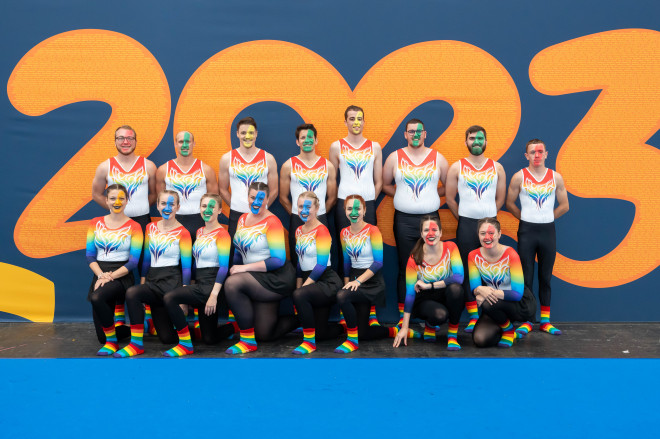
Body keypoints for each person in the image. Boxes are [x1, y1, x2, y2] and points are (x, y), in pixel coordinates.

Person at [382, 118, 449, 326]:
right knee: (405, 268)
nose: (415, 135)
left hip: (431, 219)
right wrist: (404, 195)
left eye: (419, 131)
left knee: (431, 266)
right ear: (405, 134)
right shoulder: (394, 158)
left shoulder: (438, 158)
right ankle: (405, 317)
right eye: (411, 132)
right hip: (403, 220)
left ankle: (430, 318)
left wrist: (430, 196)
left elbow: (448, 186)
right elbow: (385, 185)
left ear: (425, 134)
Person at [91, 125, 157, 331]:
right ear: (115, 141)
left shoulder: (149, 166)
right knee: (116, 269)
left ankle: (149, 317)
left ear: (135, 141)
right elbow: (96, 193)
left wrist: (139, 211)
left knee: (146, 269)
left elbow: (155, 193)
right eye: (120, 138)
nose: (125, 142)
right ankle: (118, 319)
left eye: (129, 138)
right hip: (116, 226)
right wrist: (117, 212)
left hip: (143, 223)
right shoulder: (105, 167)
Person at [113, 190, 192, 357]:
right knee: (133, 293)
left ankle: (186, 342)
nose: (167, 207)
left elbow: (186, 267)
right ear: (157, 206)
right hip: (153, 282)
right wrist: (143, 284)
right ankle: (136, 344)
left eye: (171, 204)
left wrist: (184, 298)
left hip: (172, 283)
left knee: (168, 339)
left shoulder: (183, 232)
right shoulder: (150, 228)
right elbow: (147, 260)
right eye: (163, 203)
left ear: (178, 207)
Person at [223, 182, 298, 354]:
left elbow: (278, 260)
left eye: (260, 198)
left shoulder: (272, 222)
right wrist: (237, 266)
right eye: (252, 197)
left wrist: (243, 269)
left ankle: (247, 340)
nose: (256, 202)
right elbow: (238, 250)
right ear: (247, 197)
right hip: (254, 278)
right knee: (265, 334)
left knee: (232, 284)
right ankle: (302, 320)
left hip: (276, 277)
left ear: (267, 200)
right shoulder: (242, 219)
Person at [445, 125, 506, 333]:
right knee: (467, 269)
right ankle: (472, 315)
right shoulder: (456, 167)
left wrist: (487, 220)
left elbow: (500, 199)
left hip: (489, 223)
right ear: (466, 142)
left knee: (490, 269)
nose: (476, 142)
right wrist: (464, 218)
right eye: (472, 138)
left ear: (486, 142)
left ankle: (491, 313)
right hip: (466, 224)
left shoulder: (497, 168)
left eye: (480, 138)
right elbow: (451, 199)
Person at [505, 139, 569, 337]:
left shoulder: (556, 177)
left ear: (546, 154)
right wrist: (526, 220)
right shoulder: (519, 177)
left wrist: (547, 218)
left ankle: (545, 321)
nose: (537, 155)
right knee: (526, 277)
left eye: (540, 151)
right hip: (527, 231)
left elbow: (565, 205)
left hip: (547, 231)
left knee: (545, 277)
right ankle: (527, 320)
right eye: (533, 152)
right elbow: (510, 204)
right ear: (527, 156)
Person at [157, 193, 234, 356]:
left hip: (212, 286)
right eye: (204, 206)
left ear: (220, 210)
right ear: (199, 208)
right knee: (210, 338)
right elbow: (195, 263)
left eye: (212, 207)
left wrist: (213, 295)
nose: (208, 210)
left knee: (170, 297)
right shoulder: (199, 231)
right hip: (199, 284)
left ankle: (185, 344)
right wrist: (190, 287)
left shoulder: (222, 234)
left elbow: (224, 267)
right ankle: (234, 327)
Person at [334, 195, 399, 354]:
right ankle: (392, 331)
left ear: (364, 211)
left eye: (358, 208)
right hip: (355, 280)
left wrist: (357, 283)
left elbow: (378, 263)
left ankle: (351, 341)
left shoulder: (373, 230)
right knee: (363, 333)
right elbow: (346, 262)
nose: (354, 212)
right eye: (350, 208)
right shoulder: (344, 232)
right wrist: (347, 282)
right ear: (345, 211)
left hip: (372, 282)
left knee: (341, 296)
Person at [85, 184, 143, 356]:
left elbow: (133, 261)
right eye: (112, 198)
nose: (116, 202)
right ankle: (124, 331)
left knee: (96, 297)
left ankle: (113, 343)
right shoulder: (95, 223)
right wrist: (101, 275)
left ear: (127, 200)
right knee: (101, 337)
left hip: (121, 274)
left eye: (121, 198)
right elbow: (90, 255)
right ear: (106, 200)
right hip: (100, 273)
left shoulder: (134, 226)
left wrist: (110, 276)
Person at [393, 215, 464, 350]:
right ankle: (430, 324)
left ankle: (452, 337)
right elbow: (409, 294)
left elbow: (459, 277)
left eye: (434, 230)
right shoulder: (414, 258)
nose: (430, 234)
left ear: (441, 232)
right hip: (424, 300)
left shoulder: (451, 247)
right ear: (421, 233)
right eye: (426, 230)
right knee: (440, 315)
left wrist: (429, 285)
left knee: (456, 289)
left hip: (444, 294)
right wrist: (404, 327)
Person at [329, 106, 383, 275]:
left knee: (369, 249)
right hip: (343, 203)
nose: (356, 122)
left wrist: (369, 201)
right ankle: (345, 289)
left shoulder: (375, 147)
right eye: (352, 119)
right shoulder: (336, 146)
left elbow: (379, 181)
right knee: (344, 250)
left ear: (364, 122)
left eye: (359, 119)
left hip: (368, 203)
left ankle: (369, 290)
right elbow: (332, 179)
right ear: (345, 122)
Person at [218, 117, 278, 263]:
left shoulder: (268, 158)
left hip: (262, 215)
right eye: (243, 133)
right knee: (234, 254)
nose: (247, 136)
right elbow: (222, 189)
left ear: (256, 134)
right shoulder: (227, 158)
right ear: (237, 134)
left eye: (251, 133)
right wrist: (236, 205)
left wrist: (261, 207)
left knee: (262, 253)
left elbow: (274, 190)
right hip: (236, 215)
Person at [468, 218, 536, 348]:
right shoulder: (473, 255)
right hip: (495, 305)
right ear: (478, 235)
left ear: (499, 234)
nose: (487, 237)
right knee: (480, 339)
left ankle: (508, 331)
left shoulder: (510, 253)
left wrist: (485, 293)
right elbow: (474, 288)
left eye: (491, 233)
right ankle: (507, 327)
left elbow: (517, 294)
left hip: (520, 304)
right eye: (483, 233)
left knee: (487, 303)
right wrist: (480, 290)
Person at [290, 191, 344, 354]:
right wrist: (299, 285)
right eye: (300, 207)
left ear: (317, 208)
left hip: (327, 281)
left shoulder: (322, 230)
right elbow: (300, 262)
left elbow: (320, 265)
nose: (304, 210)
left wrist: (302, 289)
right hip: (310, 282)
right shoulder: (299, 230)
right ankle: (341, 328)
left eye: (308, 207)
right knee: (320, 333)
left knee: (300, 295)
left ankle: (309, 343)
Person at [279, 124, 337, 268]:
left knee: (323, 260)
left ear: (316, 140)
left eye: (310, 137)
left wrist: (317, 214)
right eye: (303, 137)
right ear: (297, 142)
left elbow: (332, 197)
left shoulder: (327, 165)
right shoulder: (288, 165)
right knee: (298, 260)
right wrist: (299, 215)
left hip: (321, 218)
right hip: (297, 219)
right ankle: (299, 288)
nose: (307, 140)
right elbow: (283, 197)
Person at [156, 130, 218, 243]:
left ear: (193, 143)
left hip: (200, 221)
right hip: (173, 221)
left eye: (188, 141)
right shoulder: (163, 170)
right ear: (175, 144)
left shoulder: (206, 170)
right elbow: (160, 200)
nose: (184, 145)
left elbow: (214, 201)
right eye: (180, 142)